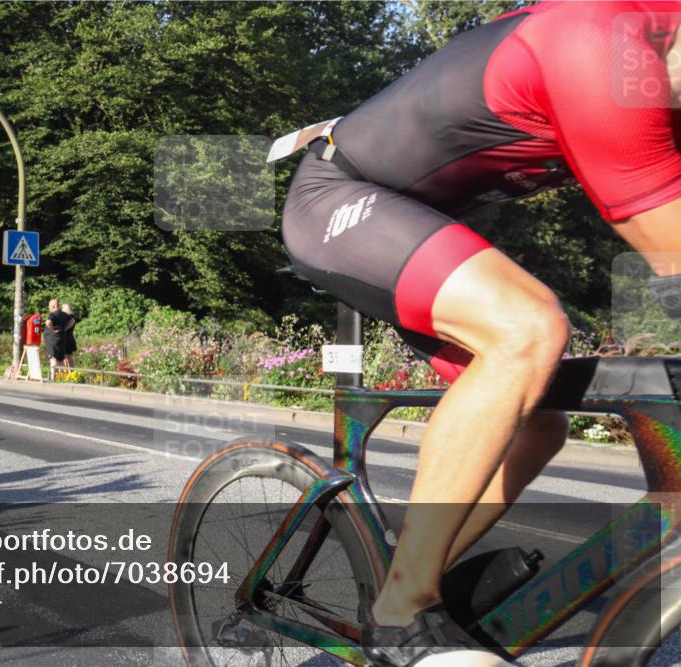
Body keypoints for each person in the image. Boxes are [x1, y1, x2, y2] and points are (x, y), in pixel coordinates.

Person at [278, 3, 681, 665]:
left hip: (422, 218)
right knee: (527, 328)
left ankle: (412, 573)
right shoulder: (605, 44)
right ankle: (401, 606)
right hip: (339, 199)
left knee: (538, 421)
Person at [43, 298, 69, 380]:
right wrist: (65, 328)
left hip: (52, 339)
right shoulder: (64, 314)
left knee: (53, 358)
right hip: (62, 338)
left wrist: (52, 329)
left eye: (49, 306)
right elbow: (72, 321)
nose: (49, 307)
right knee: (60, 359)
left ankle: (52, 378)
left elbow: (48, 323)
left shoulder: (53, 314)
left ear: (54, 306)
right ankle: (61, 378)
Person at [60, 303, 78, 370]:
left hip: (67, 338)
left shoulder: (71, 317)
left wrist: (62, 329)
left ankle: (69, 372)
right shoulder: (71, 317)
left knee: (66, 357)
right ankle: (71, 372)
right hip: (68, 337)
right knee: (68, 357)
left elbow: (66, 328)